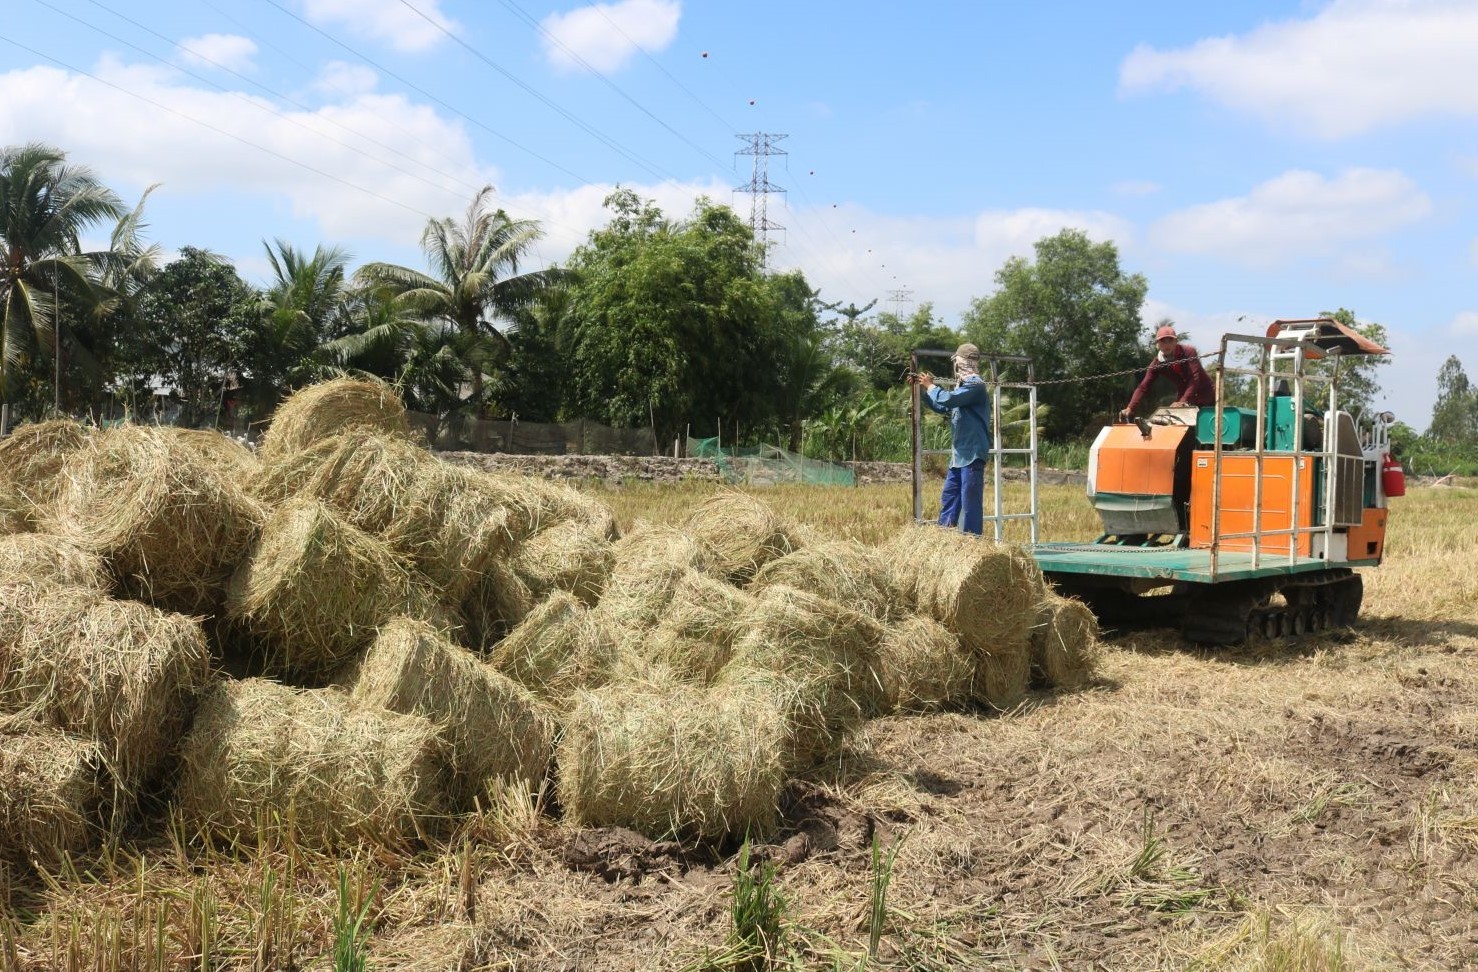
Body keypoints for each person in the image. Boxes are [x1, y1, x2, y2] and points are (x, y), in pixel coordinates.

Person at [914, 343, 992, 535]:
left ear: (962, 363)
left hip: (972, 454)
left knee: (970, 502)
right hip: (958, 456)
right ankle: (944, 537)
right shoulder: (963, 387)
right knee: (950, 498)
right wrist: (923, 392)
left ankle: (972, 543)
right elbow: (943, 406)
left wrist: (930, 385)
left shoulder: (976, 385)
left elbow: (947, 400)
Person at [1120, 325, 1215, 421]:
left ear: (1176, 342)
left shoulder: (1189, 352)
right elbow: (1143, 386)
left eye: (1170, 340)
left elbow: (1194, 379)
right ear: (1157, 344)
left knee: (1207, 428)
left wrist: (1182, 402)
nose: (1167, 345)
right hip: (1186, 400)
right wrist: (1130, 408)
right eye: (1163, 341)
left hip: (1206, 395)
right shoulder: (1157, 363)